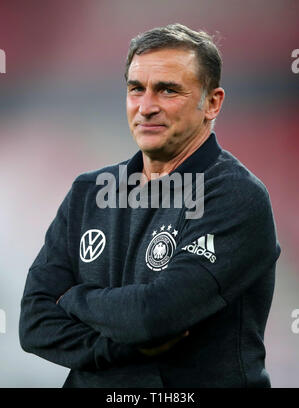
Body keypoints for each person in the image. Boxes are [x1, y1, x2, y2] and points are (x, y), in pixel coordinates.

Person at [19, 23, 281, 388]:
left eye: (167, 90)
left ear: (213, 103)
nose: (146, 107)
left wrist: (70, 298)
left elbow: (152, 316)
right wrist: (125, 348)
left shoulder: (235, 196)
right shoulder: (88, 191)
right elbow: (33, 324)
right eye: (135, 89)